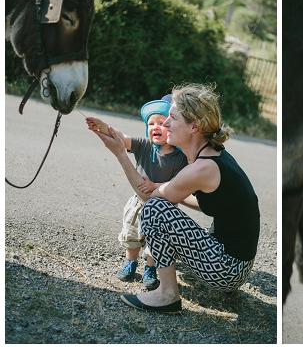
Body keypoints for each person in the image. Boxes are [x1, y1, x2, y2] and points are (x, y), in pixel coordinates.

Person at [92, 83, 261, 313]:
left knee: (153, 209)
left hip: (227, 270)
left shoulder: (202, 168)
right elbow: (204, 201)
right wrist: (174, 191)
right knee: (162, 206)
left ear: (194, 126)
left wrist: (121, 154)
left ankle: (167, 295)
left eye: (172, 117)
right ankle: (168, 287)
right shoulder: (213, 155)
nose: (165, 123)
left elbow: (148, 196)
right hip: (236, 265)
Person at [86, 95, 188, 290]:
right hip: (138, 202)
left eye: (161, 123)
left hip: (163, 205)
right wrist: (102, 126)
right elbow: (121, 138)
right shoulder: (143, 145)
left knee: (154, 240)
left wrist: (156, 185)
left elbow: (178, 183)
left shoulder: (179, 157)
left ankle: (151, 267)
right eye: (150, 123)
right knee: (132, 233)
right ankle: (130, 262)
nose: (155, 127)